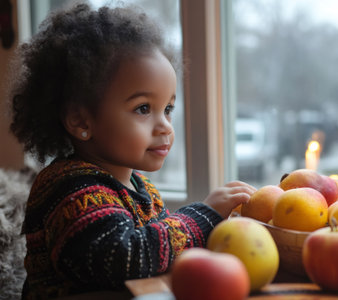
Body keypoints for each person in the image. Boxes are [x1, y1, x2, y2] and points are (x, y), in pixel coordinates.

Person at [8, 3, 255, 299]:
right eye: (143, 109)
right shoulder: (68, 188)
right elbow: (124, 257)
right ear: (80, 120)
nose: (164, 126)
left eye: (168, 109)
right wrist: (205, 214)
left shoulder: (142, 188)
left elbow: (165, 253)